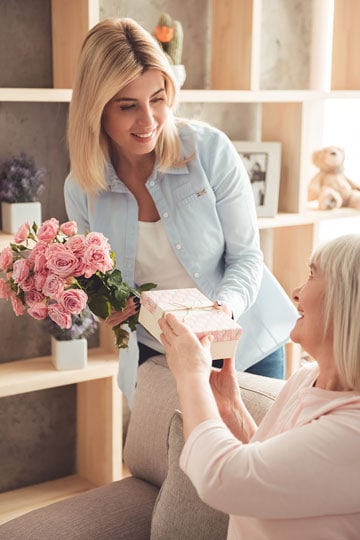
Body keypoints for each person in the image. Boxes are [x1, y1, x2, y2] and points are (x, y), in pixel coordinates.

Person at [64, 17, 297, 407]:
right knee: (173, 467)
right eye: (127, 106)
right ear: (96, 109)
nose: (149, 120)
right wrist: (106, 306)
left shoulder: (209, 150)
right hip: (156, 358)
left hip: (244, 348)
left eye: (157, 99)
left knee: (250, 464)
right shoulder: (83, 188)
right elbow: (96, 284)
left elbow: (246, 257)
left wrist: (221, 313)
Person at [158, 233, 360, 539]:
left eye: (312, 275)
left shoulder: (352, 433)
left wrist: (191, 375)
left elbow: (221, 478)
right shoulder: (307, 378)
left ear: (345, 300)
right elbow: (274, 473)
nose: (296, 292)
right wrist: (232, 409)